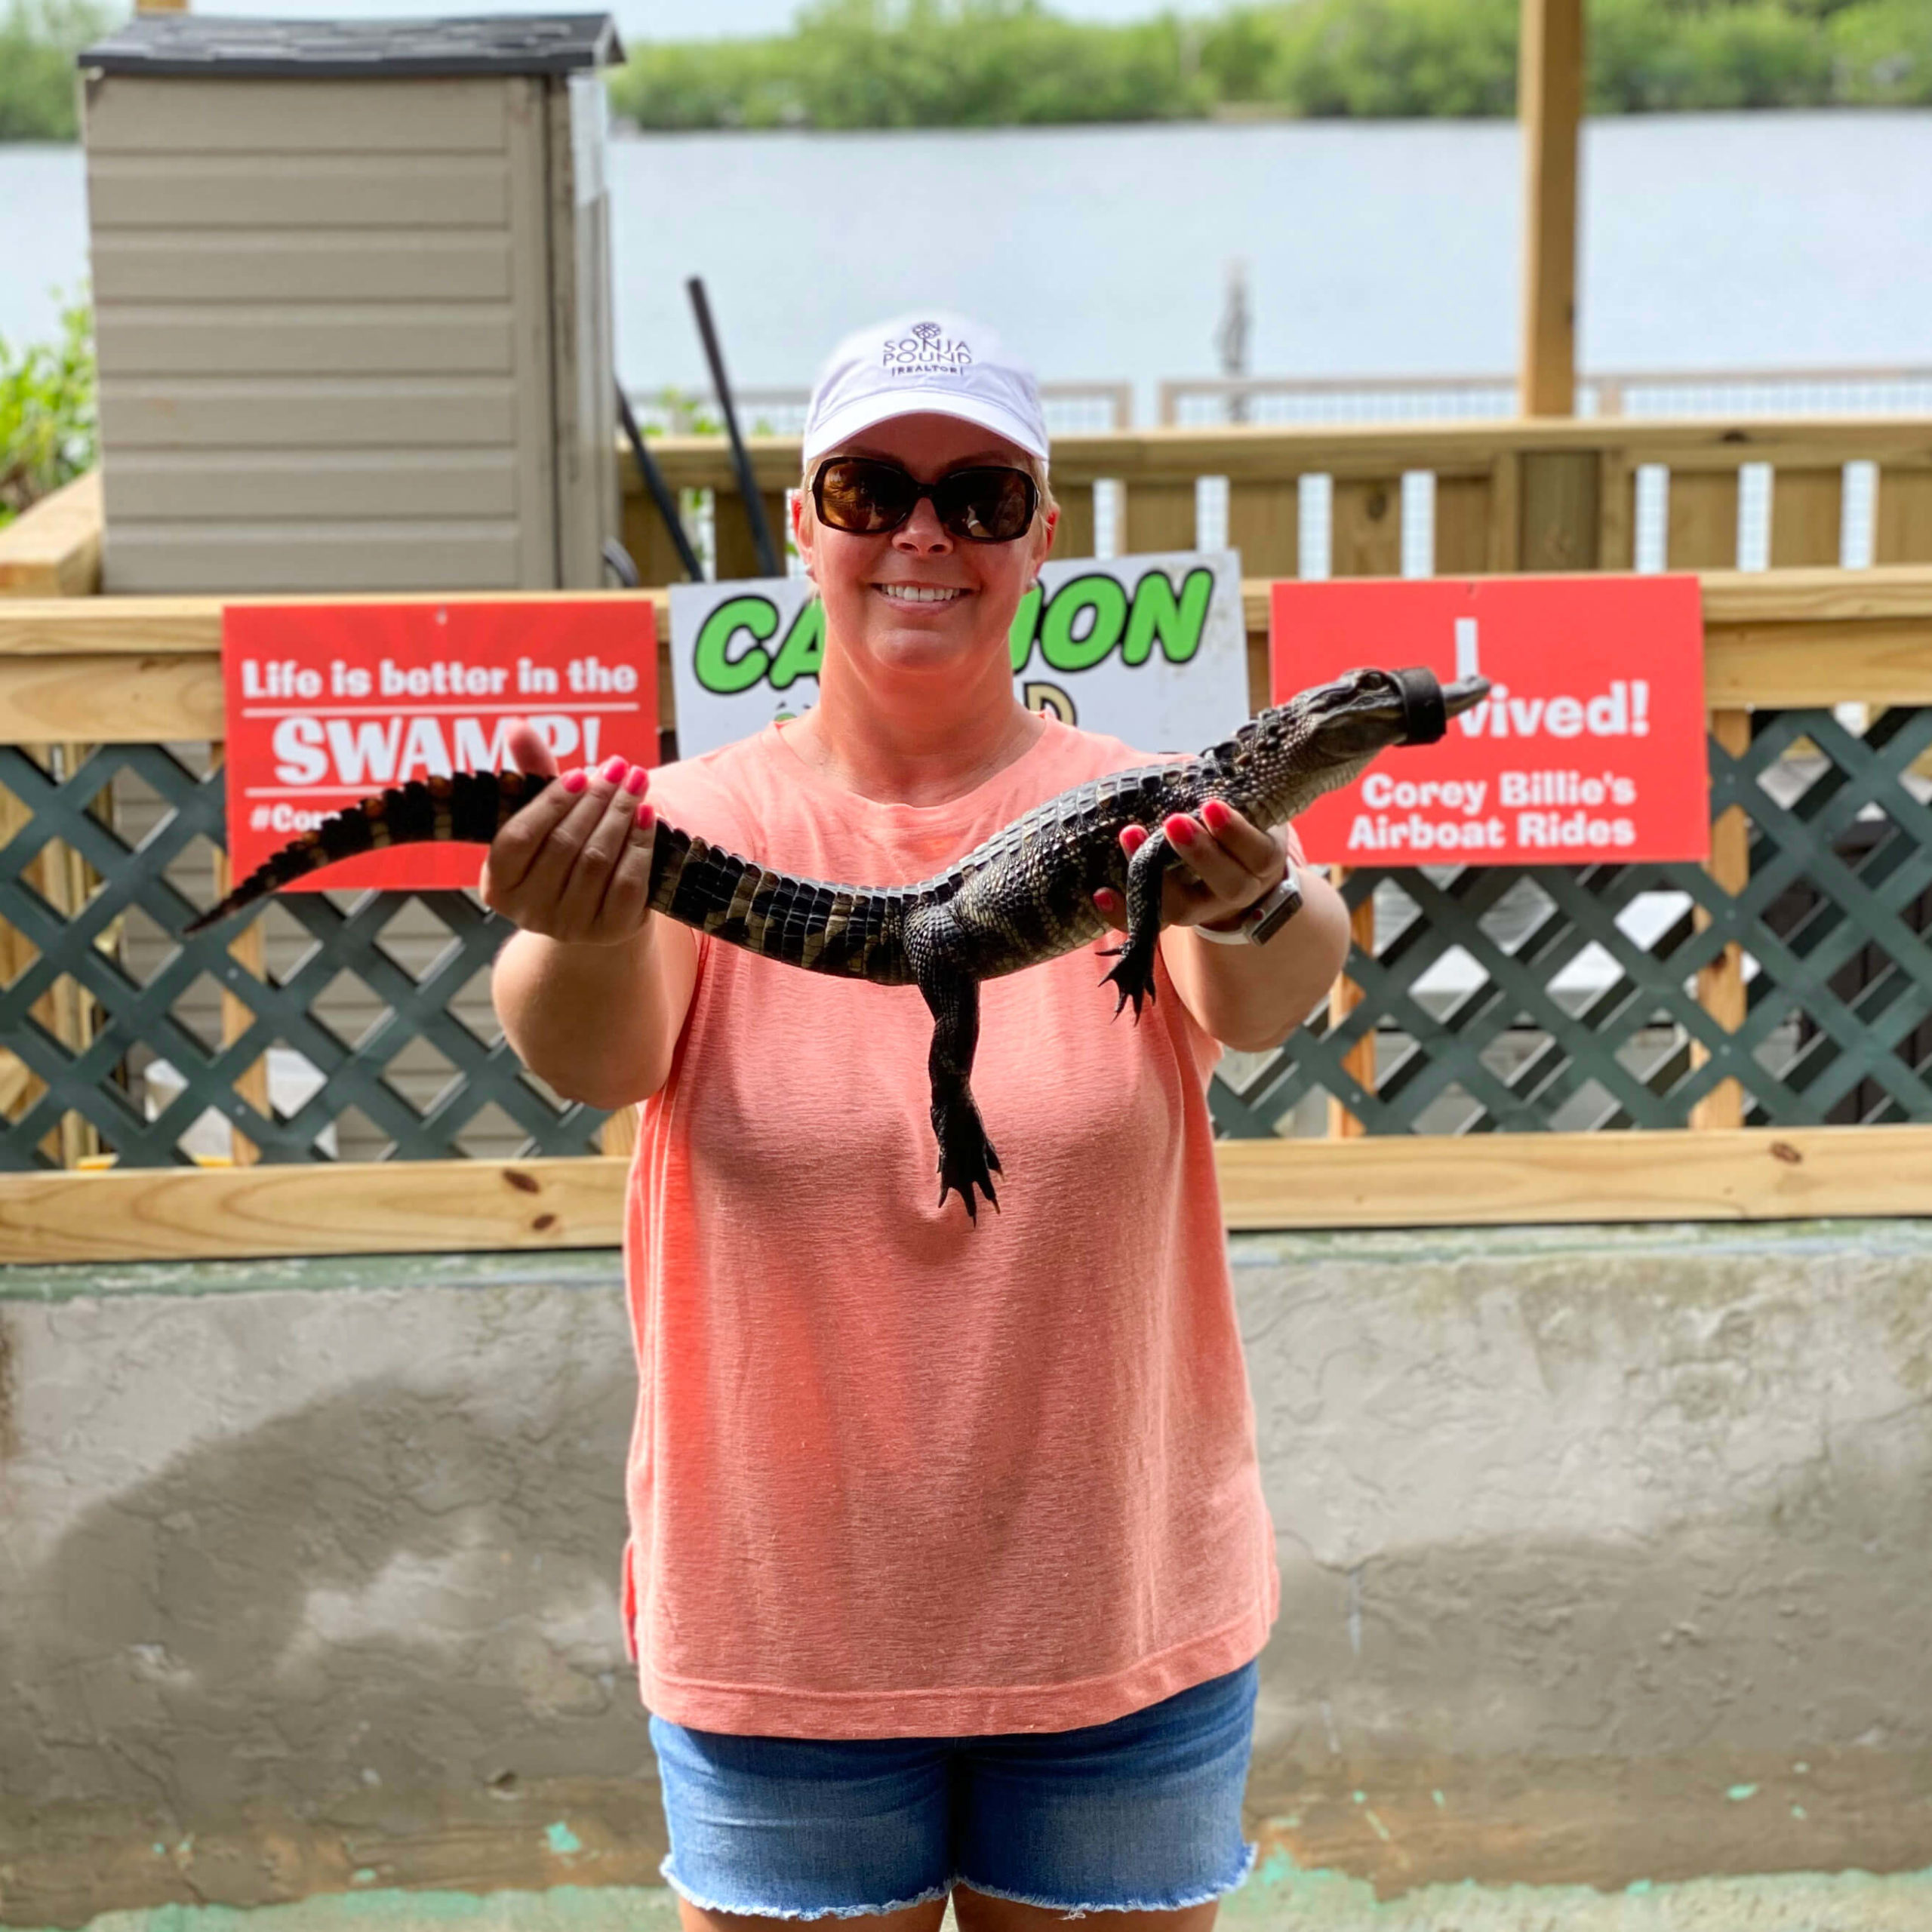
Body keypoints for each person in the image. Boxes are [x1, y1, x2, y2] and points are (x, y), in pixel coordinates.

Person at [486, 313, 1352, 1932]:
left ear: (1036, 532)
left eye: (978, 492)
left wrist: (1252, 900)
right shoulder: (688, 817)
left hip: (1114, 1601)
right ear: (806, 524)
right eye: (870, 486)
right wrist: (582, 919)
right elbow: (582, 1056)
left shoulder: (1154, 800)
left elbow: (1271, 982)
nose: (922, 532)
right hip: (782, 1626)